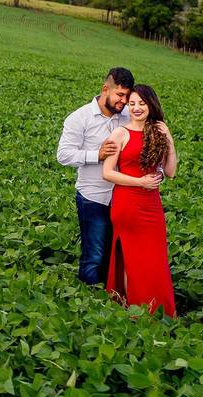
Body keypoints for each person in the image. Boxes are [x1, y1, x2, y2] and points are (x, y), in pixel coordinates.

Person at [101, 84, 178, 317]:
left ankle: (157, 310)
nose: (136, 108)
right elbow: (107, 172)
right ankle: (132, 310)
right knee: (132, 259)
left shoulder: (157, 132)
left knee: (154, 260)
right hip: (127, 203)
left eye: (141, 104)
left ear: (151, 105)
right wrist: (140, 182)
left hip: (151, 206)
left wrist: (170, 141)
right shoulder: (120, 133)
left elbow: (171, 172)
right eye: (132, 103)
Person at [57, 67, 134, 285]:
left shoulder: (128, 116)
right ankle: (87, 301)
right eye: (120, 95)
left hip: (123, 197)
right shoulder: (79, 118)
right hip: (93, 198)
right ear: (105, 89)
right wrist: (97, 155)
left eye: (127, 96)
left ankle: (111, 296)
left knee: (115, 254)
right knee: (94, 255)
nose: (124, 102)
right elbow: (63, 155)